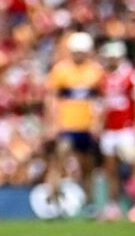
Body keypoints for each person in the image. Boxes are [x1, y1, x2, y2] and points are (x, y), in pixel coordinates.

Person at [43, 31, 104, 212]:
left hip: (86, 127)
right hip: (66, 126)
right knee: (59, 161)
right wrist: (53, 124)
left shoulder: (95, 71)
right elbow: (52, 99)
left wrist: (97, 123)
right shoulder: (61, 71)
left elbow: (101, 101)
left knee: (87, 166)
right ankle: (53, 199)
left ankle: (89, 201)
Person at [97, 40, 135, 221]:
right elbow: (103, 105)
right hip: (110, 130)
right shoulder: (104, 77)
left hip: (127, 129)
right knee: (110, 169)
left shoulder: (132, 76)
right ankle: (113, 205)